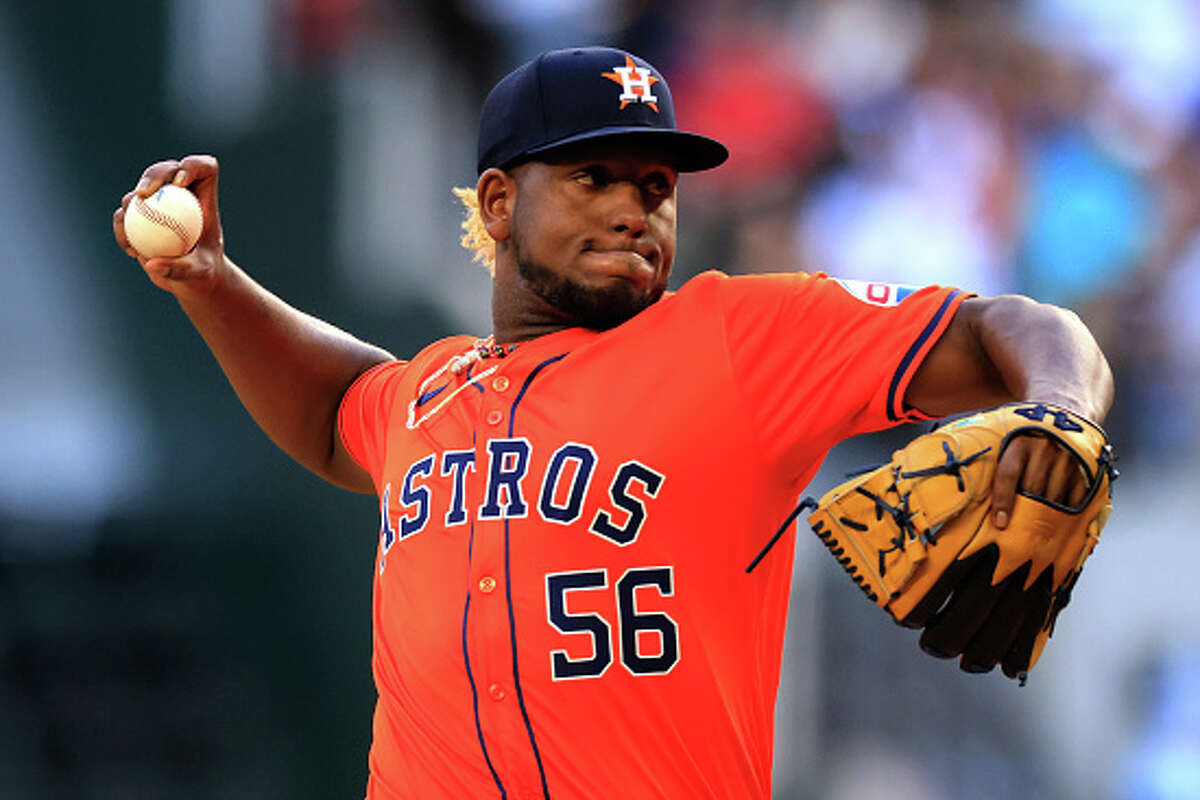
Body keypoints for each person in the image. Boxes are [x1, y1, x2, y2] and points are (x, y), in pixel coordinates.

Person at [113, 47, 1112, 800]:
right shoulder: (428, 394)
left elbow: (1011, 327)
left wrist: (1061, 407)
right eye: (595, 176)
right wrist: (206, 279)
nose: (637, 207)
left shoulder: (735, 337)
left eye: (656, 186)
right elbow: (337, 410)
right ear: (498, 202)